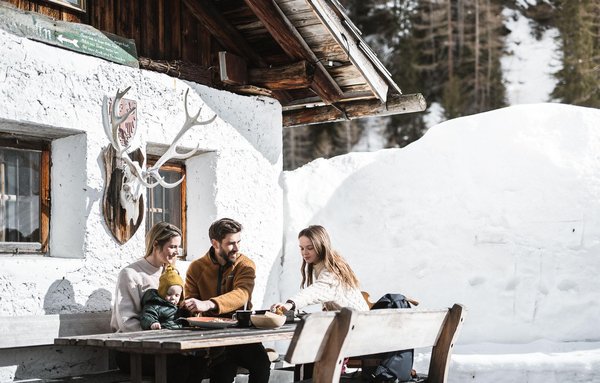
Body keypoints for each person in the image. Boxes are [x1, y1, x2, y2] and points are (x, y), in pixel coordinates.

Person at [110, 222, 206, 382]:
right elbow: (126, 322)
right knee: (180, 365)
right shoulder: (131, 274)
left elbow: (172, 311)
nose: (177, 252)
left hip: (168, 346)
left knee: (201, 361)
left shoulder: (170, 273)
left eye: (178, 247)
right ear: (156, 244)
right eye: (172, 247)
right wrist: (160, 337)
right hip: (132, 350)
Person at [184, 218, 270, 383]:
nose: (236, 248)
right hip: (210, 338)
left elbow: (242, 294)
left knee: (261, 363)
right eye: (231, 243)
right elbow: (190, 301)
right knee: (218, 371)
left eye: (239, 242)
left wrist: (210, 303)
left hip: (241, 333)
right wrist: (192, 305)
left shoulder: (244, 265)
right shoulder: (196, 268)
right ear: (215, 244)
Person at [271, 224, 369, 313]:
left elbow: (314, 291)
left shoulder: (332, 272)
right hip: (351, 322)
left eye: (310, 248)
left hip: (359, 325)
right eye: (301, 248)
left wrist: (290, 304)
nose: (304, 252)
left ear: (321, 247)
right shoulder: (324, 265)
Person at [140, 265, 187, 330]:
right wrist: (152, 323)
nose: (173, 297)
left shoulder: (179, 307)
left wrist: (190, 311)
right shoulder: (154, 305)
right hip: (164, 334)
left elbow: (185, 319)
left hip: (179, 333)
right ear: (162, 292)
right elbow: (147, 316)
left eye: (177, 295)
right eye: (169, 294)